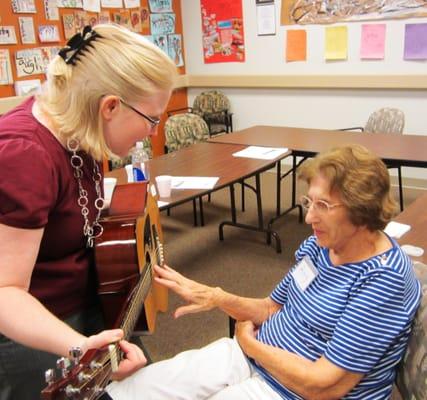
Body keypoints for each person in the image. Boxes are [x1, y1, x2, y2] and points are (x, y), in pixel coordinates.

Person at [106, 144, 421, 400]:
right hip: (256, 355)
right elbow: (273, 307)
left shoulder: (384, 279)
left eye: (323, 206)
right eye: (308, 202)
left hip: (293, 390)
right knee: (138, 389)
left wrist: (251, 345)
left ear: (362, 210)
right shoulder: (321, 245)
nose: (309, 216)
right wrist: (216, 297)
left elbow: (325, 385)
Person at [0, 24, 177, 399]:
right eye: (152, 118)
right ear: (110, 106)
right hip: (35, 326)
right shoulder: (24, 154)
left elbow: (76, 205)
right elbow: (4, 292)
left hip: (90, 300)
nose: (151, 132)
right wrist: (80, 346)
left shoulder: (82, 126)